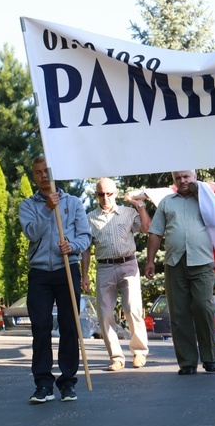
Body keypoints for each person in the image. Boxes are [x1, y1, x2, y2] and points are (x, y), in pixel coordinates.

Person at [145, 170, 215, 374]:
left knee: (203, 307)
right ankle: (187, 361)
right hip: (175, 262)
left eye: (186, 177)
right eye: (178, 178)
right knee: (179, 312)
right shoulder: (167, 202)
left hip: (202, 261)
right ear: (173, 181)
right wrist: (150, 261)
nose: (182, 181)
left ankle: (209, 358)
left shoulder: (206, 199)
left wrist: (199, 189)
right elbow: (155, 232)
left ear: (194, 178)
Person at [19, 156, 92, 404]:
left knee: (69, 326)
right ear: (34, 176)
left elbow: (85, 237)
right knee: (40, 326)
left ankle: (68, 383)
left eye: (46, 172)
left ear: (54, 174)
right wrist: (47, 208)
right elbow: (31, 232)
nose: (43, 177)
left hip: (66, 268)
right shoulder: (28, 205)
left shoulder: (73, 203)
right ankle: (43, 384)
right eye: (38, 173)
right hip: (40, 271)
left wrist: (71, 246)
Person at [81, 177, 151, 371]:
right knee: (104, 314)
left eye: (109, 193)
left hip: (128, 264)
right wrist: (85, 275)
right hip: (104, 267)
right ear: (96, 195)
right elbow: (86, 249)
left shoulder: (128, 213)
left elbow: (146, 228)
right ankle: (116, 357)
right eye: (101, 194)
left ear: (116, 193)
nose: (105, 197)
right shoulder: (89, 218)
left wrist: (140, 206)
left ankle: (139, 352)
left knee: (132, 308)